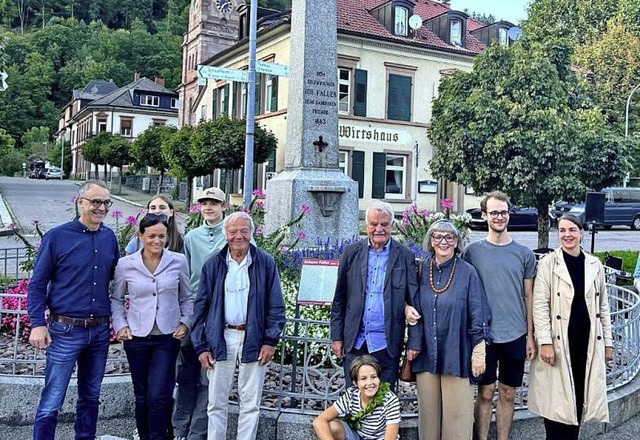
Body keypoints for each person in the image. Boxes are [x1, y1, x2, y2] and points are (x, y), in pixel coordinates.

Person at [27, 180, 120, 440]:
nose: (101, 207)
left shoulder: (109, 237)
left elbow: (120, 278)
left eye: (105, 202)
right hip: (64, 330)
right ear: (80, 202)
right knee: (53, 398)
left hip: (99, 331)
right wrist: (37, 323)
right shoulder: (57, 237)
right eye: (95, 201)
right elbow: (37, 284)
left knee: (91, 396)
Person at [190, 211, 286, 440]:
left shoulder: (265, 262)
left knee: (250, 403)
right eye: (233, 231)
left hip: (253, 338)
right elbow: (199, 308)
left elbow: (276, 306)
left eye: (244, 230)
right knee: (216, 402)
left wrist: (270, 340)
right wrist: (200, 346)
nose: (238, 236)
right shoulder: (213, 265)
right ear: (225, 234)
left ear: (251, 233)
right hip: (220, 338)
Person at [528, 214, 613, 440]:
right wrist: (544, 342)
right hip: (558, 342)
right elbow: (540, 305)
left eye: (572, 230)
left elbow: (603, 306)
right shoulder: (548, 264)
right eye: (563, 230)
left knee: (578, 399)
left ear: (582, 232)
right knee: (556, 402)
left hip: (586, 342)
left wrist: (608, 343)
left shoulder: (595, 265)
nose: (567, 235)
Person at [405, 220, 491, 440]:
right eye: (438, 237)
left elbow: (478, 312)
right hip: (426, 354)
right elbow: (409, 301)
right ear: (430, 241)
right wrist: (406, 308)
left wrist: (478, 351)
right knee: (428, 422)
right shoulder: (421, 269)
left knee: (457, 423)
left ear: (456, 242)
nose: (443, 241)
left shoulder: (468, 272)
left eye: (449, 237)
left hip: (457, 354)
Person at [462, 191, 537, 440]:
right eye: (493, 212)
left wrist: (530, 336)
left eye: (503, 212)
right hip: (485, 335)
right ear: (484, 215)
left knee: (508, 393)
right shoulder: (473, 252)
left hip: (515, 333)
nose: (499, 217)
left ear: (509, 214)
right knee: (484, 392)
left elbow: (529, 297)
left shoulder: (524, 254)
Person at [112, 213, 193, 440]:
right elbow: (117, 299)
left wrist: (185, 322)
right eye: (151, 236)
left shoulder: (178, 261)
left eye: (161, 236)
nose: (157, 241)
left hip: (167, 337)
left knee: (159, 394)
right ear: (141, 236)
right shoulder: (126, 264)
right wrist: (120, 325)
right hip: (136, 337)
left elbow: (187, 297)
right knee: (142, 396)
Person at [330, 201, 418, 391]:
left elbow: (414, 302)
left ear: (392, 226)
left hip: (387, 345)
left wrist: (413, 343)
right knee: (355, 401)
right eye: (374, 224)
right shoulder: (351, 253)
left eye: (384, 224)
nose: (379, 229)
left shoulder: (405, 257)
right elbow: (340, 298)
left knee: (384, 403)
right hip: (356, 343)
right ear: (366, 225)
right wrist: (336, 337)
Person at [173, 186, 228, 440]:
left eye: (214, 203)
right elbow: (184, 277)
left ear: (223, 206)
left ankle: (197, 432)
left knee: (209, 378)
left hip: (220, 311)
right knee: (185, 372)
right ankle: (179, 428)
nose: (209, 207)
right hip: (194, 310)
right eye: (205, 203)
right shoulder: (192, 238)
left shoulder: (233, 234)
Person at [312, 355, 400, 440]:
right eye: (363, 378)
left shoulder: (390, 401)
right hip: (356, 436)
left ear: (379, 379)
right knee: (332, 426)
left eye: (373, 377)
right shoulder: (351, 394)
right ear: (355, 383)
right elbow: (318, 421)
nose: (369, 383)